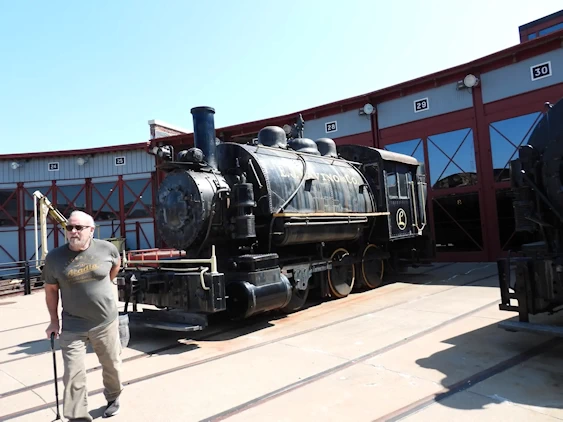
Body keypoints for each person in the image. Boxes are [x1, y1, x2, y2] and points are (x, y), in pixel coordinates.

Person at [43, 210, 123, 421]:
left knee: (112, 365)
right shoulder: (54, 258)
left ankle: (113, 396)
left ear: (91, 230)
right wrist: (53, 321)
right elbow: (51, 291)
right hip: (72, 325)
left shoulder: (107, 249)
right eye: (69, 227)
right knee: (73, 375)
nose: (73, 231)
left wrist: (106, 284)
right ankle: (78, 417)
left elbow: (115, 265)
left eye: (79, 227)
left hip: (105, 322)